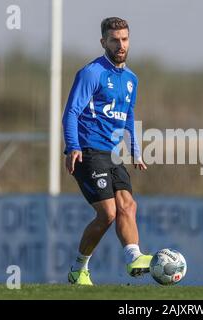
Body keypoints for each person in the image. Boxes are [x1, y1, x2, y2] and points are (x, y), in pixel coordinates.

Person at [62, 17, 151, 285]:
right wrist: (72, 146)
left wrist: (135, 148)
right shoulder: (91, 73)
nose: (120, 44)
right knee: (108, 214)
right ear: (103, 42)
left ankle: (133, 257)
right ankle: (79, 269)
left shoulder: (132, 79)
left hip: (112, 154)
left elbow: (128, 114)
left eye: (124, 39)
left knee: (128, 206)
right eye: (114, 40)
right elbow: (72, 111)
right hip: (88, 151)